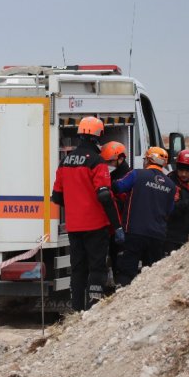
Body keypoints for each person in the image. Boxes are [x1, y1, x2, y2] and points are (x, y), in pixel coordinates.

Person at [51, 116, 124, 312]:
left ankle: (76, 310)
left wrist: (75, 205)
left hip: (74, 227)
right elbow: (105, 196)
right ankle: (93, 308)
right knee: (97, 267)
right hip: (96, 226)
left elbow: (56, 197)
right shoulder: (97, 162)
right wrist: (117, 225)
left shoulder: (64, 161)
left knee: (78, 269)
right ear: (98, 135)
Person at [111, 146, 176, 286]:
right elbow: (169, 210)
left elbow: (118, 187)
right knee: (152, 274)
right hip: (157, 236)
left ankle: (124, 301)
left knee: (127, 271)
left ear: (149, 160)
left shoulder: (137, 174)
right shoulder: (171, 185)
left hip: (134, 232)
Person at [100, 141, 132, 289]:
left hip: (122, 225)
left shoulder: (128, 177)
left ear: (121, 158)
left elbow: (126, 203)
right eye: (106, 162)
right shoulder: (110, 175)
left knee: (120, 259)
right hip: (111, 225)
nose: (108, 164)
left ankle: (121, 285)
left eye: (111, 161)